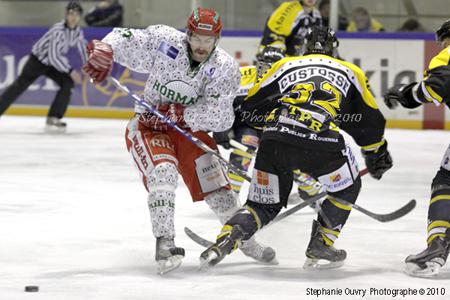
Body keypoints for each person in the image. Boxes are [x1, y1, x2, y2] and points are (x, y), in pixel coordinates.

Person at [82, 7, 277, 275]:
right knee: (163, 174)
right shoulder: (165, 41)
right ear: (188, 34)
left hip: (189, 131)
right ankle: (165, 243)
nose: (201, 45)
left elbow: (221, 118)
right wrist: (104, 49)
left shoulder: (224, 68)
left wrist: (182, 113)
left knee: (219, 191)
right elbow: (123, 37)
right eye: (196, 38)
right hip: (149, 127)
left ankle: (246, 241)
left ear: (217, 39)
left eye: (208, 40)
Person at [200, 26, 392, 269]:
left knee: (260, 206)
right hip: (321, 142)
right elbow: (369, 120)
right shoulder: (351, 71)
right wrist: (376, 151)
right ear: (335, 48)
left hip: (274, 143)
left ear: (304, 47)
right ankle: (321, 243)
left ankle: (224, 242)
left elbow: (251, 107)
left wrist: (273, 126)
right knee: (347, 186)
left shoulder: (286, 64)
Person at [384, 18, 450, 278]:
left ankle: (437, 245)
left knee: (445, 183)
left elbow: (437, 87)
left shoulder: (447, 53)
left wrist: (404, 94)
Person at [213, 46, 323, 201]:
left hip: (275, 128)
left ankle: (313, 192)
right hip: (247, 125)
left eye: (273, 66)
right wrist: (221, 127)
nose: (266, 70)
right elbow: (220, 102)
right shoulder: (241, 76)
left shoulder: (293, 83)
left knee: (289, 156)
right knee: (246, 146)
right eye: (263, 64)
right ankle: (230, 197)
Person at [0, 1, 86, 132]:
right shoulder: (58, 30)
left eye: (76, 14)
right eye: (70, 14)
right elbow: (54, 56)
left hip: (51, 65)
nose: (73, 17)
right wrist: (71, 71)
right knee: (17, 87)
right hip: (37, 62)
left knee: (67, 83)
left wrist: (89, 64)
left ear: (80, 17)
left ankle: (54, 117)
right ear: (66, 15)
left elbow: (82, 47)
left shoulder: (77, 32)